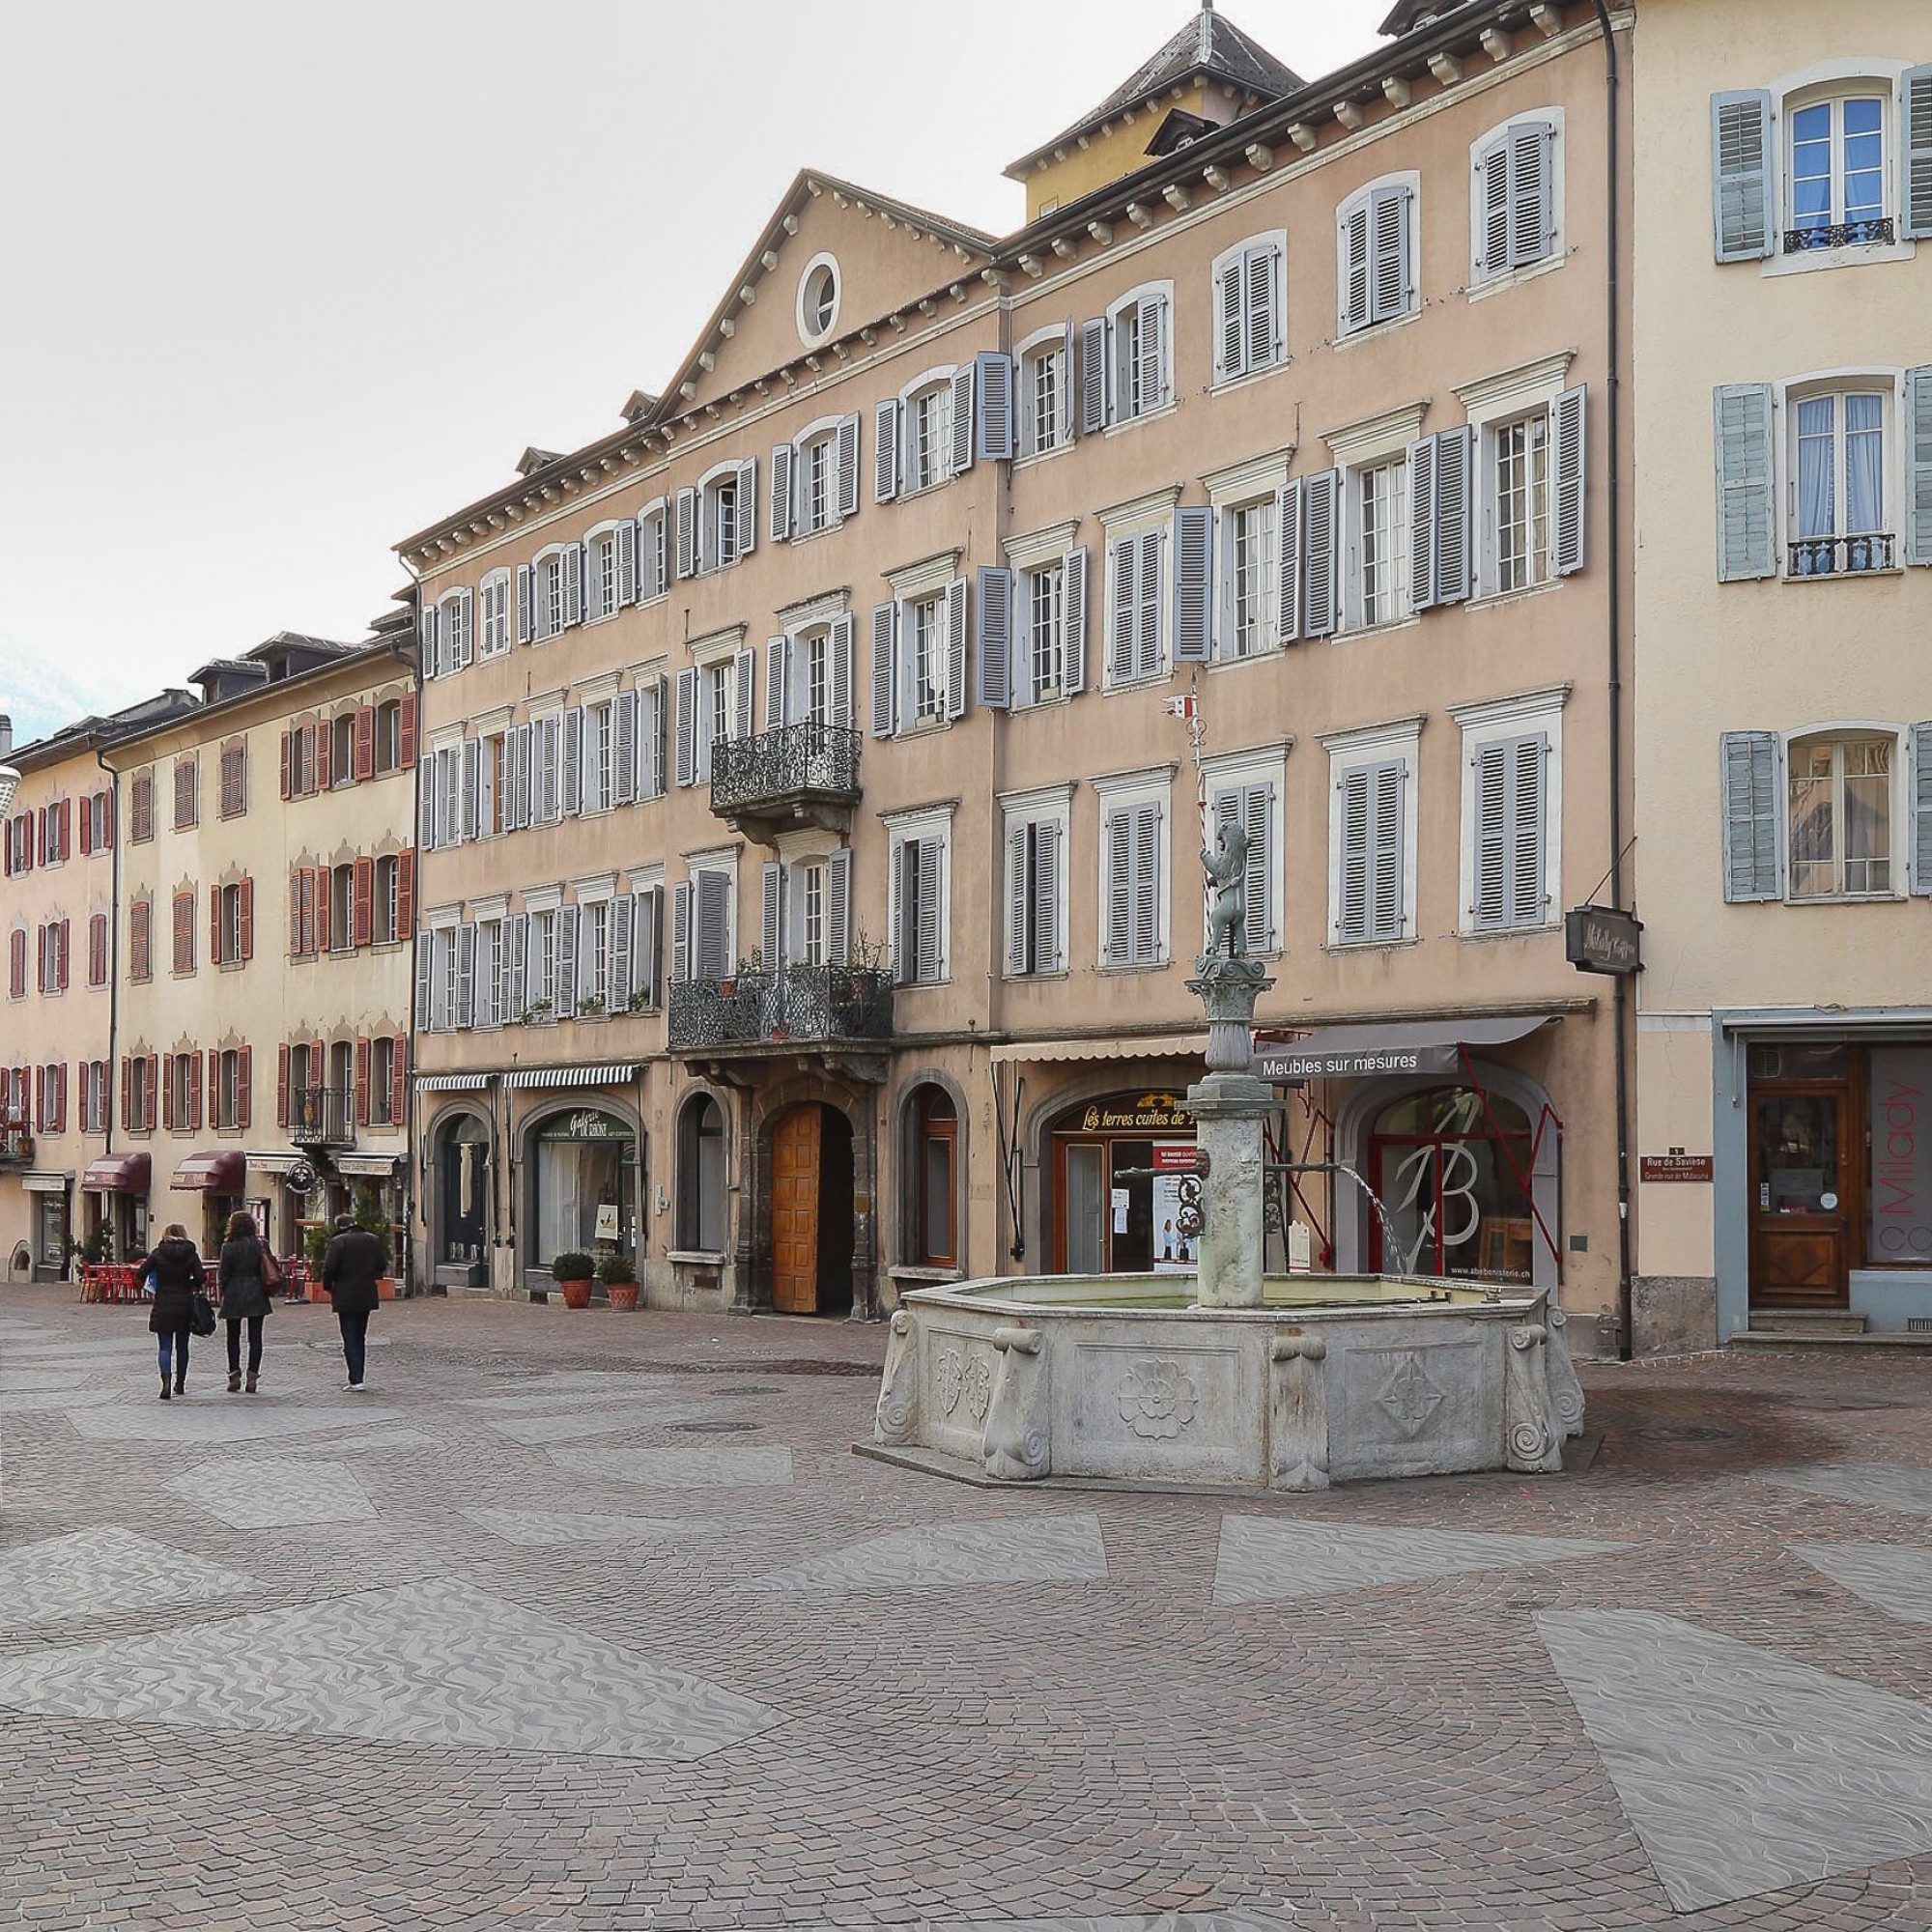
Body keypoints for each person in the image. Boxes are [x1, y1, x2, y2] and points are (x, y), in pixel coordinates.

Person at [320, 1211, 384, 1392]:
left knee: (349, 1336)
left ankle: (355, 1379)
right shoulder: (372, 1239)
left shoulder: (338, 1242)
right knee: (360, 1336)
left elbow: (328, 1268)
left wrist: (328, 1286)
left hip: (345, 1293)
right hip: (366, 1292)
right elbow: (382, 1265)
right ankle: (359, 1376)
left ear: (339, 1226)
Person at [143, 1223, 206, 1401]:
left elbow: (141, 1273)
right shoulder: (190, 1253)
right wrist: (189, 1284)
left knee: (164, 1347)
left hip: (163, 1301)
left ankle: (166, 1382)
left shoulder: (158, 1253)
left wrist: (155, 1284)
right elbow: (201, 1277)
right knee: (182, 1346)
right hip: (184, 1302)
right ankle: (180, 1383)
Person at [216, 1209, 273, 1395]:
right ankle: (252, 1377)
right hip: (256, 1290)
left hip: (234, 1291)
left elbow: (223, 1274)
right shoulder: (261, 1244)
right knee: (255, 1338)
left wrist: (224, 1289)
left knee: (233, 1337)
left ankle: (234, 1375)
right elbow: (268, 1266)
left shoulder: (229, 1246)